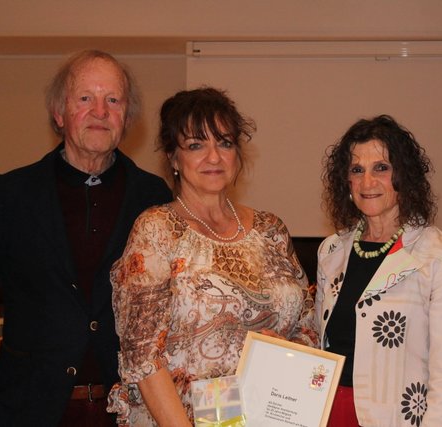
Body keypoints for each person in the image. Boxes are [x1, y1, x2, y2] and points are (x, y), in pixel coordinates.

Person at [106, 86, 318, 426]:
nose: (214, 157)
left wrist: (284, 348)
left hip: (271, 413)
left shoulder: (271, 229)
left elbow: (308, 325)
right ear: (174, 159)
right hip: (189, 416)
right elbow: (143, 355)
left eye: (225, 142)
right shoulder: (158, 230)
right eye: (195, 145)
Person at [0, 50, 172, 426]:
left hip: (128, 409)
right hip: (28, 409)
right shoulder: (9, 196)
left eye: (113, 100)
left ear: (126, 118)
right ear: (59, 113)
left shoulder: (155, 197)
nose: (100, 111)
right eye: (84, 98)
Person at [316, 115, 442, 426]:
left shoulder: (441, 254)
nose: (367, 182)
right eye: (357, 170)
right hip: (326, 411)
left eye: (381, 168)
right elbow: (322, 341)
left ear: (404, 176)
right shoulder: (331, 251)